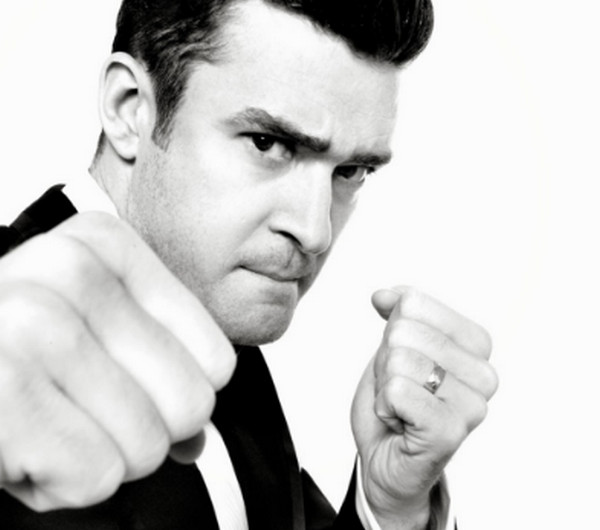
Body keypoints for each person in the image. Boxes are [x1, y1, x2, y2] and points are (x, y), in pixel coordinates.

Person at [0, 0, 498, 528]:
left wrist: (390, 506)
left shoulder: (221, 334)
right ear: (129, 109)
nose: (316, 231)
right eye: (268, 143)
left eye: (351, 170)